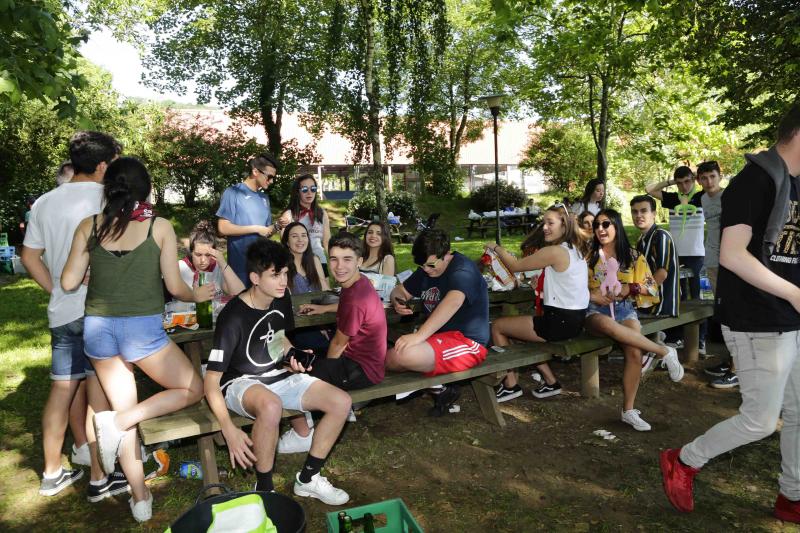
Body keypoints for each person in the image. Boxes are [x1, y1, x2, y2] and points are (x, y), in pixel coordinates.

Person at [661, 105, 800, 522]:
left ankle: (791, 495)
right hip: (756, 319)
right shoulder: (754, 181)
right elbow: (733, 256)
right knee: (760, 421)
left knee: (799, 413)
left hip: (790, 316)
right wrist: (795, 294)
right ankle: (684, 461)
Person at [61, 157, 208, 522]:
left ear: (108, 187)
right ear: (146, 188)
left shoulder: (89, 226)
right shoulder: (159, 226)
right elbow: (175, 287)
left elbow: (67, 282)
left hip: (98, 329)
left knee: (119, 410)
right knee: (193, 388)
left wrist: (95, 272)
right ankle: (125, 424)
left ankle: (140, 500)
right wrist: (198, 297)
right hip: (142, 331)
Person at [203, 238, 352, 505]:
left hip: (275, 375)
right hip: (239, 382)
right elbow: (211, 380)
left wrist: (293, 355)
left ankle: (308, 479)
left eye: (285, 273)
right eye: (275, 275)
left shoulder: (281, 299)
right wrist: (228, 429)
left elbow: (277, 338)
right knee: (271, 406)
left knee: (341, 401)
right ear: (255, 278)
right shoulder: (233, 316)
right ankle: (265, 488)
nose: (283, 281)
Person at [21, 131, 124, 501]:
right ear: (101, 165)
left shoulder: (44, 203)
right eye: (112, 163)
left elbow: (29, 256)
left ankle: (51, 473)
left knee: (62, 389)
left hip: (63, 311)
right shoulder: (109, 199)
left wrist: (58, 290)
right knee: (103, 394)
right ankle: (104, 473)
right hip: (103, 310)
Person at [280, 233, 388, 453]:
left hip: (361, 369)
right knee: (302, 355)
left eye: (347, 259)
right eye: (334, 259)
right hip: (367, 362)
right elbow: (347, 308)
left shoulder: (356, 297)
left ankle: (303, 433)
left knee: (287, 369)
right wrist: (325, 308)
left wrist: (325, 374)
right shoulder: (358, 283)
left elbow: (338, 345)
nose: (339, 266)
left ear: (359, 261)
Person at [584, 209, 683, 431]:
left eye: (606, 224)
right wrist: (592, 295)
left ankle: (628, 410)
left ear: (617, 226)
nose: (600, 229)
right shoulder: (587, 257)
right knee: (608, 325)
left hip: (625, 309)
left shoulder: (633, 255)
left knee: (634, 350)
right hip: (594, 311)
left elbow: (651, 286)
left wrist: (631, 288)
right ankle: (663, 351)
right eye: (597, 225)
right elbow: (573, 287)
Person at [488, 204, 589, 401]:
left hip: (558, 323)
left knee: (499, 326)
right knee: (519, 329)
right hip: (575, 321)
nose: (544, 227)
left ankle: (510, 385)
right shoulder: (575, 249)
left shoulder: (554, 251)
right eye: (543, 222)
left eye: (550, 223)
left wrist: (495, 247)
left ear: (564, 225)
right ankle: (551, 382)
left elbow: (515, 266)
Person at [386, 229, 489, 416]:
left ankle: (438, 388)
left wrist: (419, 336)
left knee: (401, 355)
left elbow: (453, 301)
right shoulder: (428, 269)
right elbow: (399, 290)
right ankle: (439, 388)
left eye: (431, 265)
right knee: (391, 357)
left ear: (447, 254)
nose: (426, 270)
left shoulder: (462, 269)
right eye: (422, 265)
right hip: (437, 339)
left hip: (467, 342)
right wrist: (398, 301)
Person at [646, 166, 707, 353]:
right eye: (679, 183)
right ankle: (676, 336)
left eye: (687, 181)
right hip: (675, 253)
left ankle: (700, 340)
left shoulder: (701, 198)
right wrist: (672, 182)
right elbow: (650, 190)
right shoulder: (673, 199)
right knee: (674, 295)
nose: (684, 186)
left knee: (696, 297)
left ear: (694, 180)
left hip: (696, 253)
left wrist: (694, 180)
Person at [693, 161, 735, 388]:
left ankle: (736, 368)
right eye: (704, 178)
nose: (709, 182)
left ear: (720, 176)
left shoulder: (730, 196)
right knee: (721, 313)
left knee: (732, 312)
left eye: (712, 176)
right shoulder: (702, 199)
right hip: (711, 261)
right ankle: (729, 361)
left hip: (730, 261)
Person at [217, 153, 285, 287]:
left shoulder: (264, 198)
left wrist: (277, 226)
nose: (271, 181)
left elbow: (266, 233)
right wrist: (255, 228)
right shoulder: (233, 192)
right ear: (255, 171)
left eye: (273, 178)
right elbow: (222, 228)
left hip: (262, 267)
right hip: (239, 268)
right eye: (269, 176)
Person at [280, 221, 331, 355]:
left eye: (304, 235)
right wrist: (317, 325)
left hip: (323, 319)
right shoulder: (282, 266)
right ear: (286, 241)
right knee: (321, 347)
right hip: (298, 325)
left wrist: (322, 324)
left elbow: (326, 293)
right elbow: (291, 306)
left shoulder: (314, 260)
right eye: (294, 236)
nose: (300, 240)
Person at [178, 220, 246, 315]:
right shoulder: (181, 268)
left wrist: (223, 263)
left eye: (207, 255)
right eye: (198, 255)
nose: (203, 260)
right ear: (191, 252)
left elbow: (240, 293)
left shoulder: (218, 268)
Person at [280, 174, 331, 275]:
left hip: (320, 260)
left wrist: (335, 261)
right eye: (304, 189)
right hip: (297, 263)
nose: (309, 193)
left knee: (324, 289)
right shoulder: (289, 215)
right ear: (297, 192)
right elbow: (284, 243)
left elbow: (327, 242)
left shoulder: (322, 213)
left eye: (313, 189)